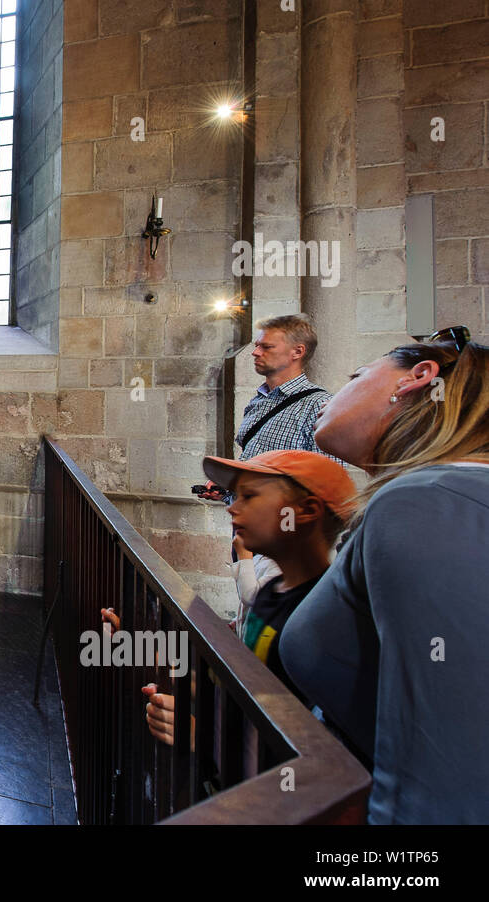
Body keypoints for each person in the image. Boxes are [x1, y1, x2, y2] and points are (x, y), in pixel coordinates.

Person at [281, 326, 489, 824]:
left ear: (417, 378)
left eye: (357, 375)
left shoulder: (426, 501)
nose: (338, 390)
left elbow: (440, 788)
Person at [108, 449, 355, 745]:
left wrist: (202, 739)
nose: (231, 508)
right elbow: (241, 682)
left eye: (249, 497)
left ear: (305, 511)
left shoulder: (319, 620)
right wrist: (142, 653)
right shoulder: (270, 594)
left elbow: (299, 742)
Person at [196, 315, 342, 630]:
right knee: (252, 611)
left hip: (284, 539)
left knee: (270, 613)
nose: (255, 351)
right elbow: (256, 466)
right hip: (253, 527)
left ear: (297, 352)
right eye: (257, 344)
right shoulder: (259, 401)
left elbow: (325, 481)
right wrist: (229, 490)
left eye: (265, 345)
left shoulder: (316, 407)